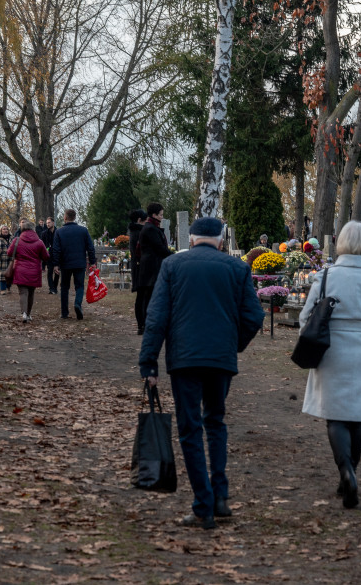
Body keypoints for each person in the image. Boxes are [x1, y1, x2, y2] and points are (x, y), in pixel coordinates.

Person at [139, 217, 265, 530]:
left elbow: (156, 317)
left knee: (191, 429)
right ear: (221, 241)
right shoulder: (237, 268)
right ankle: (219, 496)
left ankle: (203, 505)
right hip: (220, 358)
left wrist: (149, 363)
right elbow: (254, 315)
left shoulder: (173, 266)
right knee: (215, 421)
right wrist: (233, 344)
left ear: (192, 239)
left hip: (185, 359)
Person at [299, 221, 361, 509]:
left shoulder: (326, 277)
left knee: (335, 416)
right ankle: (350, 472)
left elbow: (306, 317)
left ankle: (346, 472)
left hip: (332, 348)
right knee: (358, 416)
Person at [51, 209, 96, 320]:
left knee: (64, 287)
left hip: (65, 263)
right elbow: (90, 247)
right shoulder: (83, 230)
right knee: (79, 286)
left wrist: (56, 264)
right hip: (79, 263)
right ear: (74, 217)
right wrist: (92, 262)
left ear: (65, 218)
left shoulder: (59, 232)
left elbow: (56, 249)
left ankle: (64, 312)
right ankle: (77, 304)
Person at [137, 202, 172, 330]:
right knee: (149, 295)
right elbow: (159, 247)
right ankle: (146, 323)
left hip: (152, 265)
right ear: (154, 215)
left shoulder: (152, 227)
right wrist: (175, 256)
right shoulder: (150, 229)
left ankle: (147, 322)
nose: (162, 217)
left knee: (150, 295)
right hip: (151, 266)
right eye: (161, 215)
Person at [7, 220, 49, 322]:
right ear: (33, 229)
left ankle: (24, 313)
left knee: (23, 292)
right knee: (31, 293)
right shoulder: (39, 242)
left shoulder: (17, 240)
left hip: (20, 270)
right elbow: (46, 257)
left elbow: (9, 253)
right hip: (34, 271)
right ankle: (29, 314)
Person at [128, 209, 148, 333]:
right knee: (143, 297)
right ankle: (142, 324)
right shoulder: (140, 233)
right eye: (145, 221)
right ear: (140, 220)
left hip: (137, 267)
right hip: (141, 267)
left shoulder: (134, 232)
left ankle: (141, 324)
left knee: (141, 296)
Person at [0, 225, 14, 295]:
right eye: (4, 229)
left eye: (6, 229)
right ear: (0, 230)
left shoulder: (12, 238)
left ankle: (8, 287)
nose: (5, 230)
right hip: (1, 260)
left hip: (11, 259)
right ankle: (3, 289)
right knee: (2, 275)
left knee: (10, 274)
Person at [40, 216, 57, 293]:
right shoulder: (44, 233)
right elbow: (42, 244)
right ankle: (51, 288)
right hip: (49, 255)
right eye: (47, 223)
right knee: (50, 271)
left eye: (49, 222)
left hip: (57, 255)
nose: (47, 224)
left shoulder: (58, 232)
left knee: (57, 272)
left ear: (53, 223)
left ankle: (55, 287)